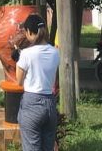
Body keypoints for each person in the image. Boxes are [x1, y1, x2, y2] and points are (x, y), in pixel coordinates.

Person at [15, 14, 60, 151]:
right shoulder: (55, 52)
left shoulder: (27, 54)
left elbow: (19, 81)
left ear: (28, 31)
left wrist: (18, 58)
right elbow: (55, 78)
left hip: (32, 104)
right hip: (50, 104)